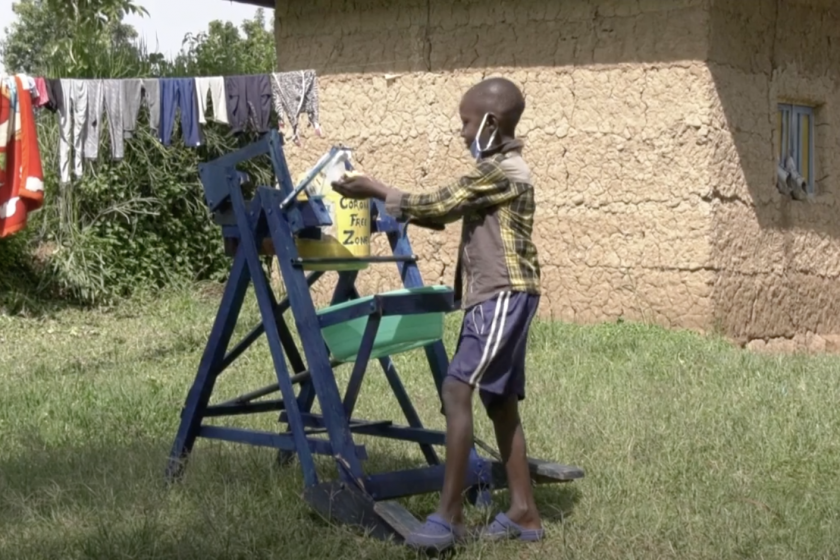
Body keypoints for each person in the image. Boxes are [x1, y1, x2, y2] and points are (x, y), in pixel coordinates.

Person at [331, 76, 543, 550]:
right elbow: (439, 213)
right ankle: (524, 512)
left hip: (501, 295)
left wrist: (373, 188)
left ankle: (450, 517)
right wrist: (389, 200)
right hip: (502, 294)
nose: (462, 133)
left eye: (466, 123)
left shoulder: (499, 171)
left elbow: (439, 204)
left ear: (490, 122)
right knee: (498, 401)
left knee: (456, 387)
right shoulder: (499, 168)